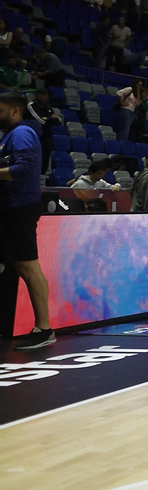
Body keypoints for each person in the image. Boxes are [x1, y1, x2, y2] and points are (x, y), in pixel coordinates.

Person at [0, 91, 53, 349]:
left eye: (0, 110)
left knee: (29, 267)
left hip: (20, 206)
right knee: (20, 267)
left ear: (15, 110)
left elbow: (25, 169)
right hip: (10, 207)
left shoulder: (22, 133)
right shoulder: (9, 135)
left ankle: (44, 329)